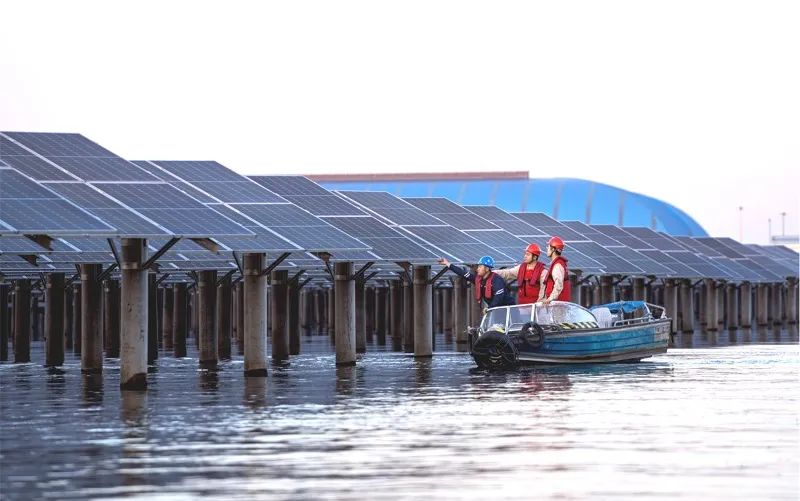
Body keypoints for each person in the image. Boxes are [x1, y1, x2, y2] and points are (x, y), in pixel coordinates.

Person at [437, 255, 513, 312]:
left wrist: (490, 308)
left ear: (487, 269)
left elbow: (499, 295)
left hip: (508, 310)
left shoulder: (496, 279)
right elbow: (463, 273)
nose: (477, 269)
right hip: (496, 310)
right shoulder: (478, 280)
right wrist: (448, 264)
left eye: (480, 267)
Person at [540, 236, 571, 305]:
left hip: (558, 306)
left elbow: (558, 285)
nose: (547, 249)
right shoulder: (558, 264)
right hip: (557, 305)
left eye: (548, 247)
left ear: (553, 249)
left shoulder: (557, 266)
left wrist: (550, 299)